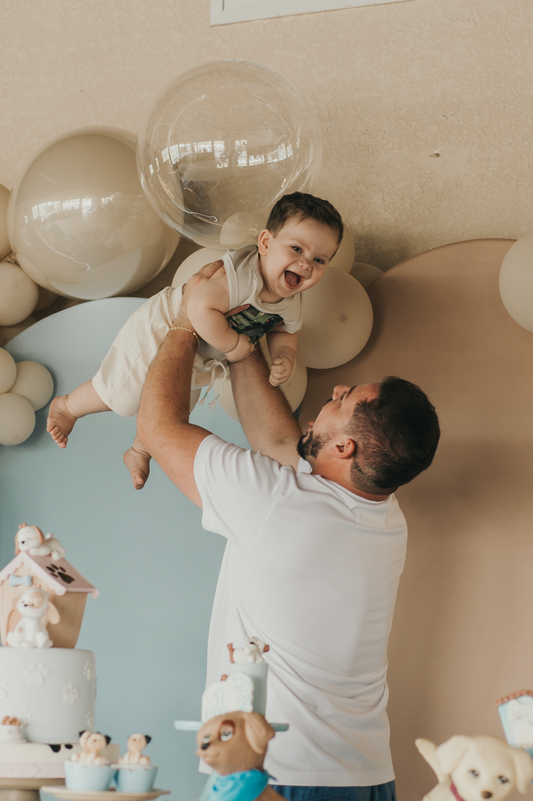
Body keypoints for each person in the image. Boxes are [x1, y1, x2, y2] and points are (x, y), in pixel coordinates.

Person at [136, 262, 440, 798]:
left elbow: (159, 430)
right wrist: (238, 345)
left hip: (280, 777)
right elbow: (280, 442)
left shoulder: (281, 504)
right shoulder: (383, 516)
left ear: (344, 449)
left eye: (343, 401)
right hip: (365, 775)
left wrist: (188, 319)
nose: (337, 388)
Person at [45, 192, 344, 490]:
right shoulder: (243, 276)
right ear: (266, 243)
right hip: (163, 327)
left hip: (201, 357)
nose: (306, 264)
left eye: (319, 260)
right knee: (122, 393)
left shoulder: (291, 300)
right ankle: (69, 407)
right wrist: (232, 345)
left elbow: (284, 331)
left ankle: (138, 450)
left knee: (173, 411)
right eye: (296, 249)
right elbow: (199, 307)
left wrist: (285, 356)